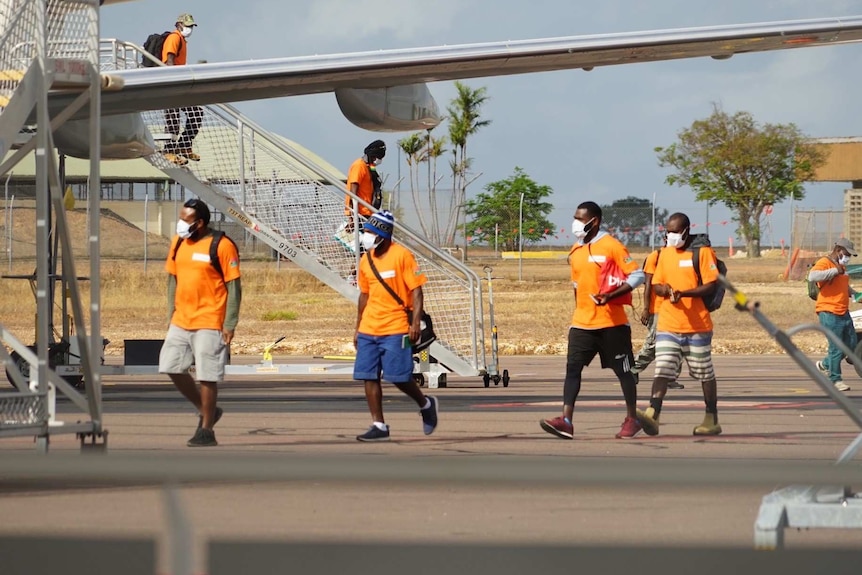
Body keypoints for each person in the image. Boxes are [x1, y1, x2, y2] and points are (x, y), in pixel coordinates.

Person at [540, 201, 645, 440]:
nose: (576, 222)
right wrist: (581, 310)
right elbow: (577, 285)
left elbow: (637, 275)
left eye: (580, 217)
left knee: (624, 372)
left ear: (594, 221)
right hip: (582, 324)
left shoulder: (612, 246)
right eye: (575, 216)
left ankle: (632, 418)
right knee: (572, 370)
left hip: (613, 325)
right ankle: (566, 420)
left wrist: (611, 296)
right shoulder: (576, 250)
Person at [158, 198, 242, 447]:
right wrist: (170, 313)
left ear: (201, 222)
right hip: (181, 319)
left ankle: (206, 429)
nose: (181, 224)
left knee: (207, 376)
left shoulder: (222, 245)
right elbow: (172, 279)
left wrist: (230, 323)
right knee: (171, 366)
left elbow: (234, 287)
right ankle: (207, 410)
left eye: (186, 219)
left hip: (210, 320)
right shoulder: (178, 242)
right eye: (181, 218)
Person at [353, 210, 438, 442]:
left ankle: (426, 403)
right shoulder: (365, 260)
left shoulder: (402, 256)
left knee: (398, 376)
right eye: (365, 232)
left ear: (383, 233)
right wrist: (357, 327)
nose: (366, 236)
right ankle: (379, 425)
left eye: (370, 232)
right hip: (369, 328)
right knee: (368, 375)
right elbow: (364, 295)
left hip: (397, 326)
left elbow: (417, 291)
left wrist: (414, 323)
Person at [637, 212, 721, 437]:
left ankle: (711, 418)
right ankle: (652, 414)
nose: (671, 236)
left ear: (686, 230)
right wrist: (666, 290)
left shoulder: (702, 253)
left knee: (704, 373)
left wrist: (684, 293)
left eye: (675, 232)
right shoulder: (664, 254)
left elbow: (711, 285)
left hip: (697, 326)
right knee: (663, 368)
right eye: (668, 232)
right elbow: (656, 285)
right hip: (668, 324)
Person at [809, 238, 860, 393]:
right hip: (828, 311)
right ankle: (835, 379)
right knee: (836, 346)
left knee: (851, 344)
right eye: (846, 253)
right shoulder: (826, 262)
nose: (848, 257)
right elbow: (813, 276)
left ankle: (826, 364)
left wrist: (856, 294)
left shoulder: (842, 266)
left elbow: (844, 285)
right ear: (839, 250)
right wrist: (834, 270)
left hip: (843, 310)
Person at [632, 247, 683, 389]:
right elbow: (648, 283)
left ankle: (670, 377)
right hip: (658, 309)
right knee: (654, 344)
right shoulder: (655, 256)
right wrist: (646, 309)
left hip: (677, 308)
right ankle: (634, 368)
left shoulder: (682, 256)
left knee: (678, 344)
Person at [161, 13, 203, 167]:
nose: (190, 29)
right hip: (171, 85)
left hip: (180, 85)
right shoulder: (174, 38)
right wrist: (174, 81)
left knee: (196, 112)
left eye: (191, 26)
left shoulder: (183, 41)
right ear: (179, 25)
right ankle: (169, 151)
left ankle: (184, 145)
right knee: (173, 120)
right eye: (187, 26)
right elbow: (169, 60)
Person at [345, 140, 386, 225]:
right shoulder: (359, 166)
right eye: (376, 158)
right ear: (372, 156)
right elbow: (353, 191)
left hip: (367, 213)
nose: (377, 160)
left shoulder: (369, 168)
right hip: (359, 213)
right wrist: (352, 216)